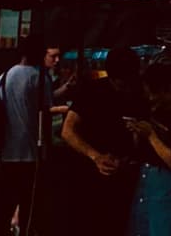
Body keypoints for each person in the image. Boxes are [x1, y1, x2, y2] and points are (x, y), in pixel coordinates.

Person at [61, 47, 147, 234]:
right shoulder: (91, 91)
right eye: (120, 83)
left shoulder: (139, 95)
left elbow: (140, 139)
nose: (123, 87)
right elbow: (67, 130)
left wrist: (127, 158)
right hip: (86, 180)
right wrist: (96, 156)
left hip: (123, 180)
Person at [125, 61, 171, 236]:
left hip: (165, 183)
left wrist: (151, 135)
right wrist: (136, 132)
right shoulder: (151, 110)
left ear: (167, 88)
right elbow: (139, 151)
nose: (150, 97)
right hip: (144, 180)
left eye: (153, 92)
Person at [0, 38, 51, 236]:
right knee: (28, 206)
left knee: (4, 206)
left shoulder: (5, 76)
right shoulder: (39, 78)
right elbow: (45, 111)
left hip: (6, 151)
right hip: (30, 153)